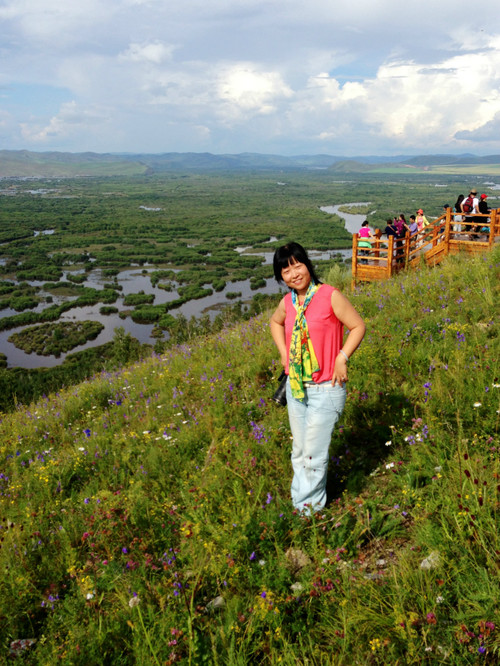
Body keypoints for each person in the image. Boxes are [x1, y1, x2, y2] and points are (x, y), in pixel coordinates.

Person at [270, 243, 365, 514]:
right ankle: (301, 503)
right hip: (296, 387)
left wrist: (341, 357)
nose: (293, 273)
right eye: (285, 269)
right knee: (300, 451)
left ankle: (307, 514)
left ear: (308, 265)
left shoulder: (329, 295)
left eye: (297, 265)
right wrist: (283, 354)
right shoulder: (287, 302)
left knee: (312, 455)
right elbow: (275, 322)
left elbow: (358, 326)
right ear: (281, 276)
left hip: (326, 388)